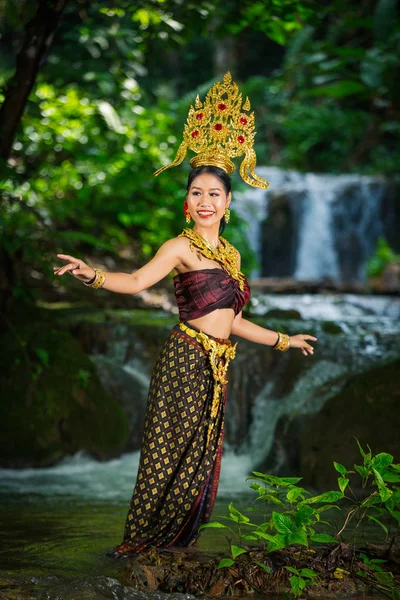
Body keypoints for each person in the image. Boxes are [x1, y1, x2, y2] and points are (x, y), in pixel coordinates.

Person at [53, 73, 317, 558]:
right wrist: (91, 274)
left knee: (198, 459)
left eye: (214, 194)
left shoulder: (233, 257)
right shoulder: (179, 247)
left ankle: (174, 547)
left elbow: (231, 320)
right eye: (197, 192)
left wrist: (284, 340)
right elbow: (134, 283)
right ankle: (137, 546)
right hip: (184, 359)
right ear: (187, 199)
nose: (205, 201)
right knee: (164, 454)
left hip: (218, 366)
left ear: (228, 202)